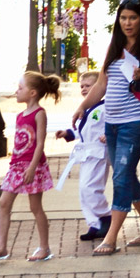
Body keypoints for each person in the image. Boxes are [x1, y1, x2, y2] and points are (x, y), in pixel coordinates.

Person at [72, 0, 140, 256]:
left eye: (133, 18)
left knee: (120, 177)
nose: (127, 23)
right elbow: (102, 84)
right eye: (123, 18)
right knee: (124, 174)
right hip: (112, 124)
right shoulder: (115, 47)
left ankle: (111, 235)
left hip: (136, 122)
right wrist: (82, 107)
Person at [0, 72, 60, 262]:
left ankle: (44, 247)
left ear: (33, 92)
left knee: (35, 207)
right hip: (16, 167)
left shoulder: (39, 114)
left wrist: (33, 167)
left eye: (20, 88)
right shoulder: (20, 116)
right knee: (3, 203)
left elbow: (40, 143)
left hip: (32, 166)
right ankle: (1, 247)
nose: (16, 91)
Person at [56, 71, 110, 241]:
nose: (84, 89)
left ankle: (106, 217)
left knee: (90, 188)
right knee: (83, 191)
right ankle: (94, 223)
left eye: (88, 86)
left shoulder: (106, 106)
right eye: (82, 86)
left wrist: (109, 134)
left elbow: (114, 123)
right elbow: (83, 131)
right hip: (86, 154)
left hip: (99, 152)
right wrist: (67, 133)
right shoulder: (87, 108)